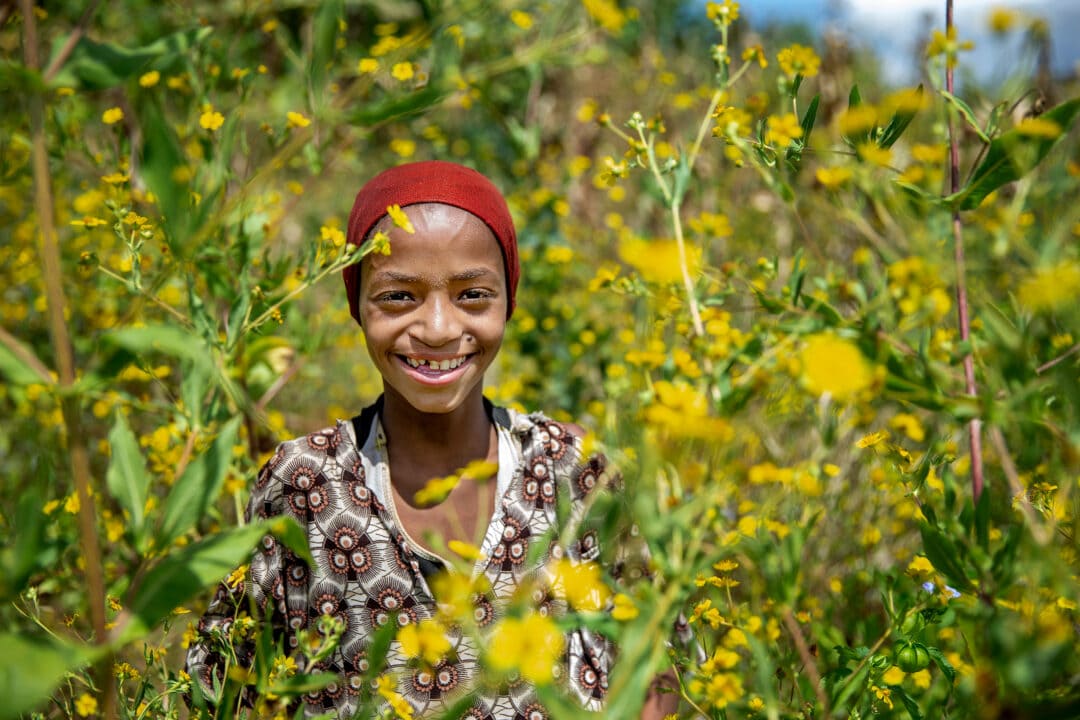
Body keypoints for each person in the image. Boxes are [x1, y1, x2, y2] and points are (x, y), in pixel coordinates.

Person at [186, 161, 676, 718]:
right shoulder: (306, 483)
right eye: (399, 297)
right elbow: (234, 688)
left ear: (509, 301)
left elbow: (651, 675)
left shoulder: (577, 472)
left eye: (473, 295)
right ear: (357, 305)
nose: (439, 328)